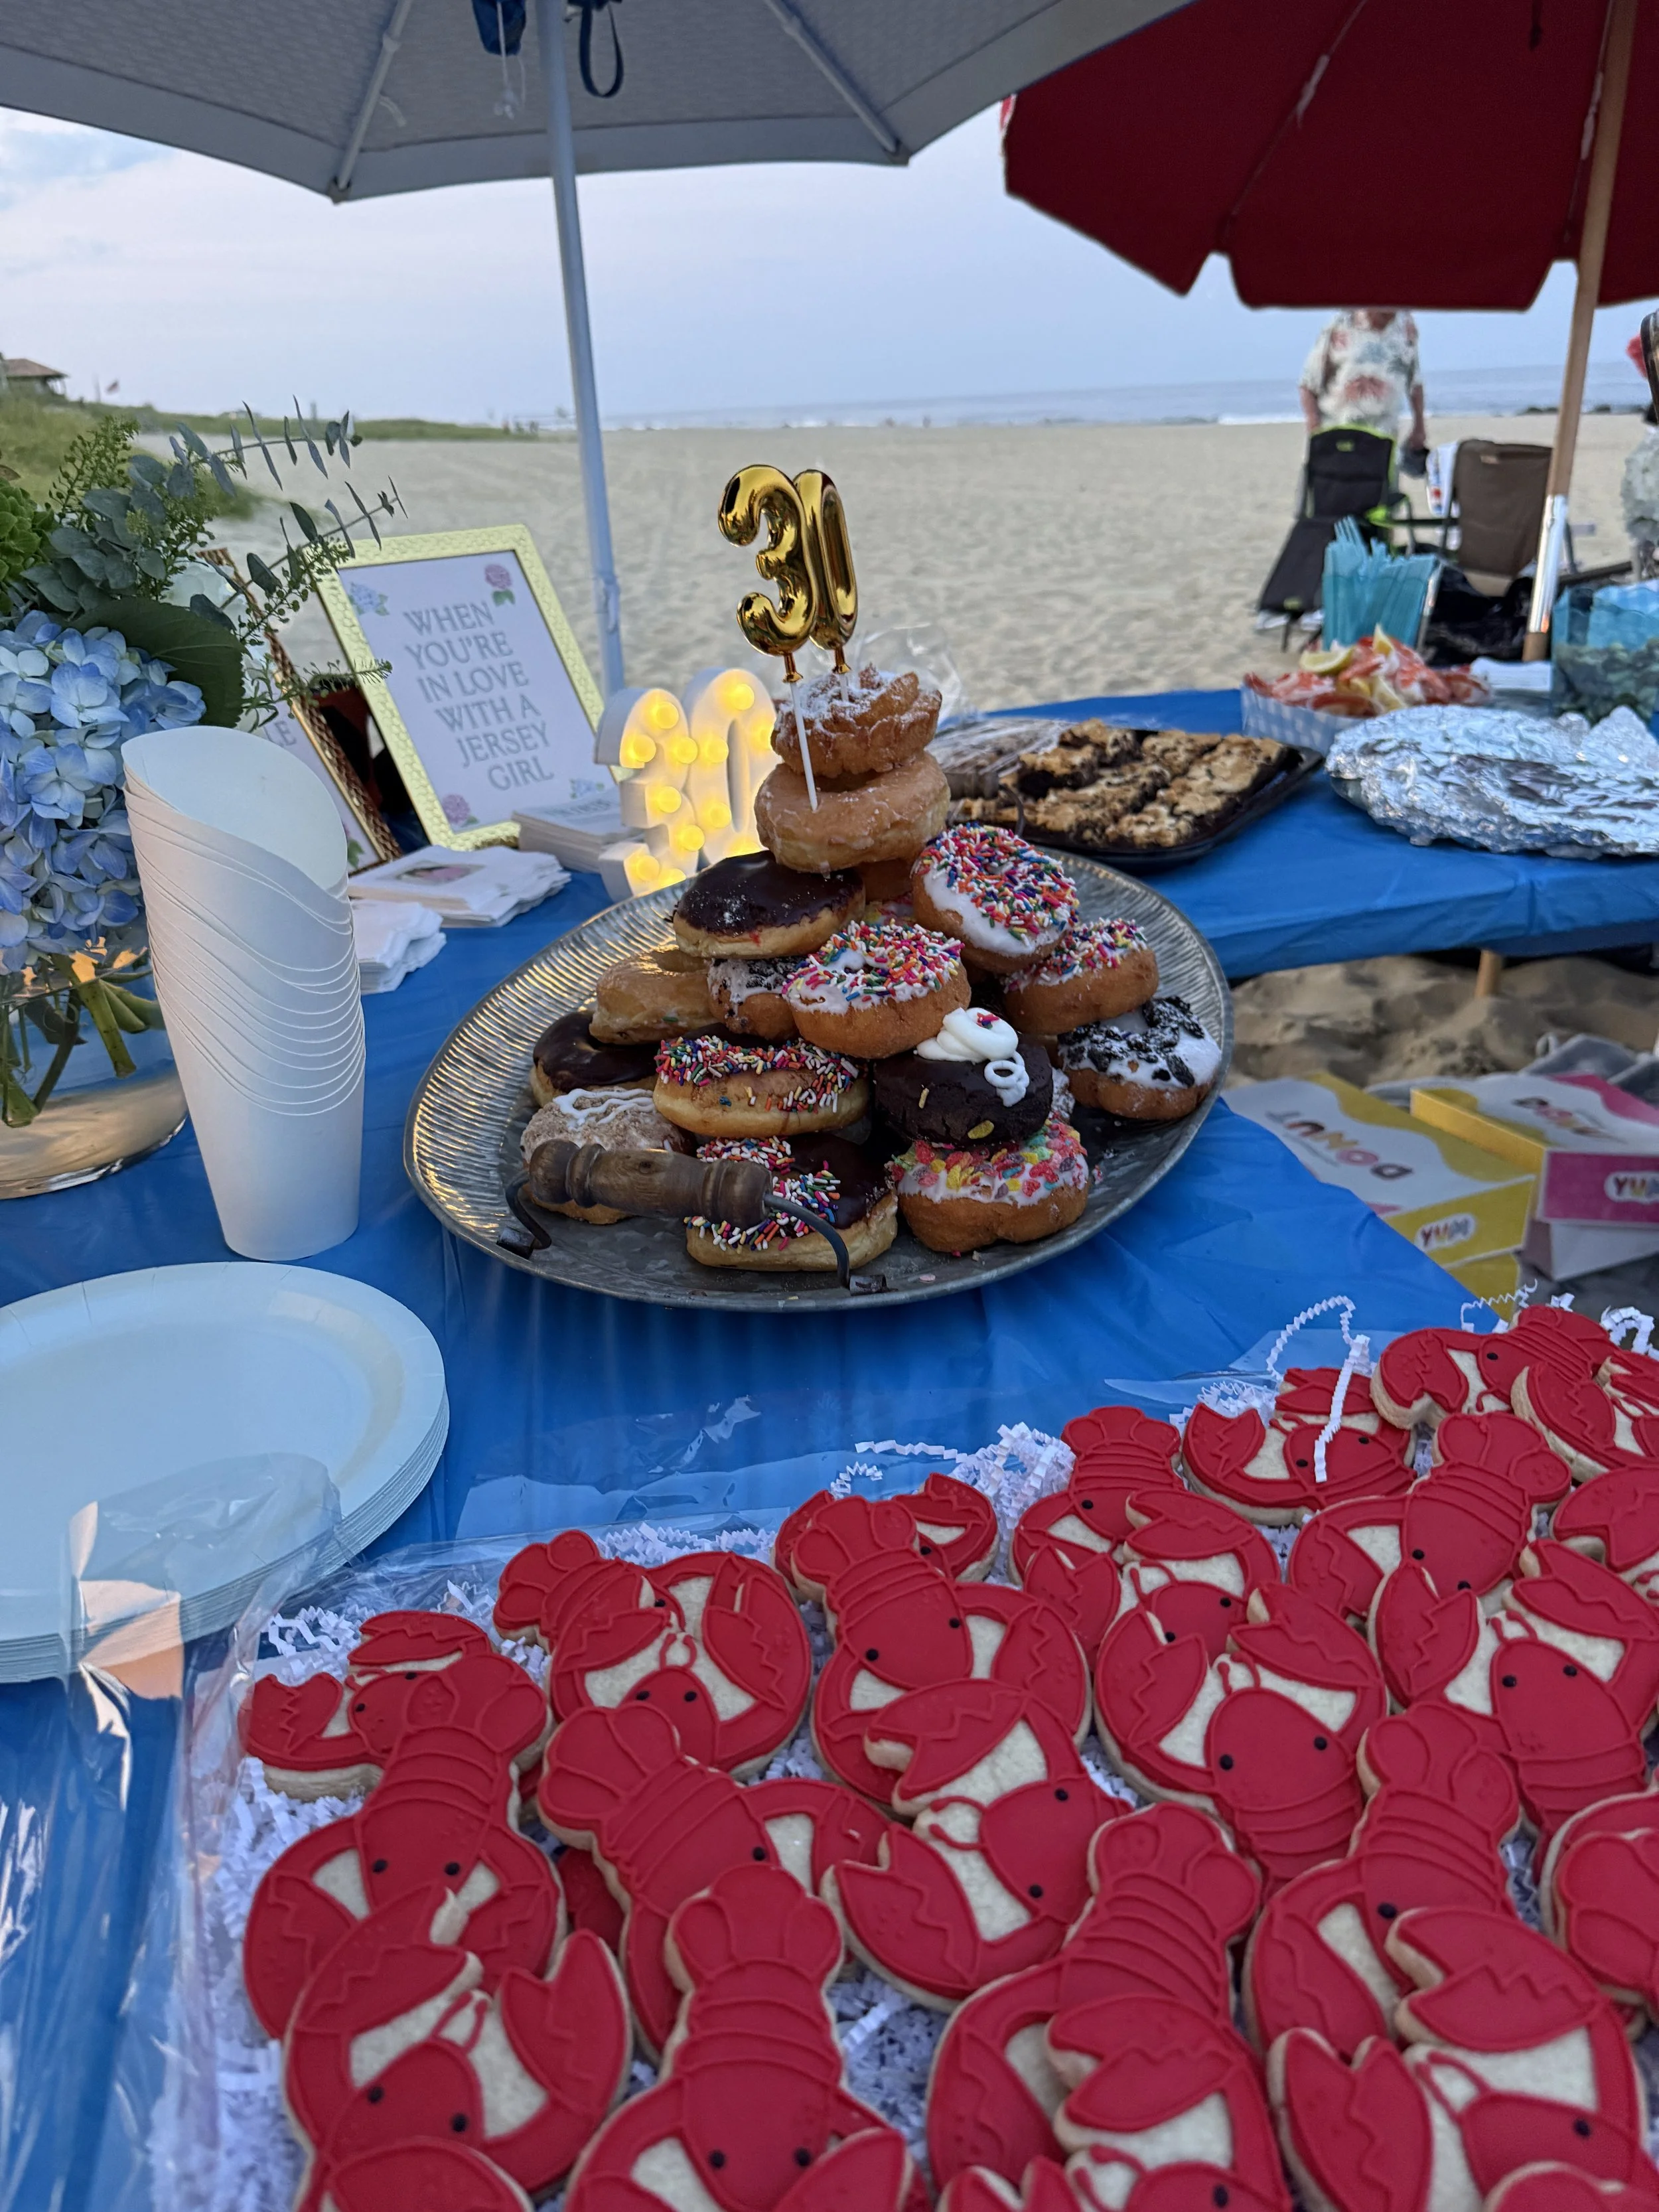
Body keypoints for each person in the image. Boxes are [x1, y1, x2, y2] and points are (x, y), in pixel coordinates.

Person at [1299, 309, 1427, 459]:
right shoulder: (1342, 324)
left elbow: (1415, 382)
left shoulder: (1406, 327)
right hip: (1337, 438)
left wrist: (1419, 426)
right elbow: (1308, 384)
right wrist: (1316, 430)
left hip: (1384, 439)